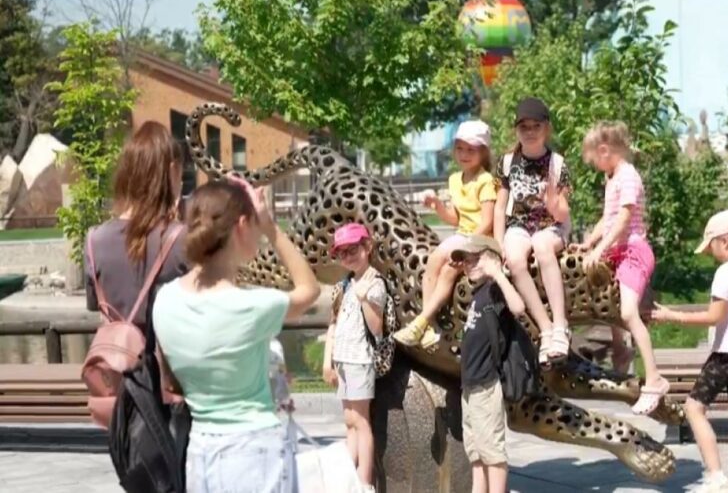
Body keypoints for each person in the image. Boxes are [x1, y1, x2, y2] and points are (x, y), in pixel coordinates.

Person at [152, 176, 320, 493]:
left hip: (200, 450)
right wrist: (272, 228)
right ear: (242, 225)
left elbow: (170, 378)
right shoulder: (251, 305)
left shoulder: (165, 300)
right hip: (255, 451)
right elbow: (309, 289)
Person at [652, 209, 728, 493]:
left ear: (727, 240)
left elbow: (714, 315)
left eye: (713, 246)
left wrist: (672, 315)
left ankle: (715, 477)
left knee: (694, 408)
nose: (711, 253)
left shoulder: (727, 271)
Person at [577, 120, 667, 414]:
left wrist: (601, 249)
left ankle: (654, 379)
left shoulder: (628, 176)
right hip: (618, 254)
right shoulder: (612, 177)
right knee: (613, 311)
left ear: (604, 150)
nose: (593, 165)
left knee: (628, 312)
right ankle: (621, 353)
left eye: (593, 159)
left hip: (633, 252)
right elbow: (607, 217)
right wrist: (590, 243)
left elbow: (624, 220)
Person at [394, 120, 497, 350]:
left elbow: (487, 221)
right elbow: (456, 218)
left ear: (483, 152)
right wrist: (438, 205)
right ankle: (426, 325)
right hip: (463, 236)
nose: (464, 154)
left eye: (471, 149)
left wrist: (466, 247)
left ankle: (421, 323)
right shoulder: (454, 180)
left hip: (480, 240)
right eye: (460, 148)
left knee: (446, 265)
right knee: (436, 265)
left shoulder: (486, 181)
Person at [83, 121, 189, 331]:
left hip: (114, 360)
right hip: (167, 361)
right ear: (173, 170)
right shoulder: (183, 239)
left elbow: (96, 306)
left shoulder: (94, 240)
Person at [494, 97, 573, 365]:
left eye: (535, 126)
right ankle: (546, 329)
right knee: (515, 259)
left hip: (551, 225)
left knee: (541, 245)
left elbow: (563, 212)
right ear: (516, 129)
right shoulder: (507, 162)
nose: (529, 132)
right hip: (518, 225)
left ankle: (561, 326)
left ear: (546, 129)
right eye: (523, 126)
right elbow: (500, 204)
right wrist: (497, 243)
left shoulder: (557, 164)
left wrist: (553, 202)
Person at [450, 234, 525, 493]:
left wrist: (498, 273)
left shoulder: (495, 290)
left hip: (485, 384)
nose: (468, 264)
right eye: (465, 261)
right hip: (470, 387)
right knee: (477, 454)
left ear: (492, 259)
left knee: (492, 454)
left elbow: (518, 308)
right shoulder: (478, 293)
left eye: (475, 259)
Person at [321, 222, 385, 493]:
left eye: (353, 249)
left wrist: (364, 300)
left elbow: (377, 327)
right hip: (344, 361)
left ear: (367, 247)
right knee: (349, 421)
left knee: (360, 421)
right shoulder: (344, 284)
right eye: (342, 252)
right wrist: (328, 361)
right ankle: (349, 473)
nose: (348, 256)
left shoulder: (373, 282)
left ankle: (364, 480)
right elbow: (333, 326)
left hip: (360, 359)